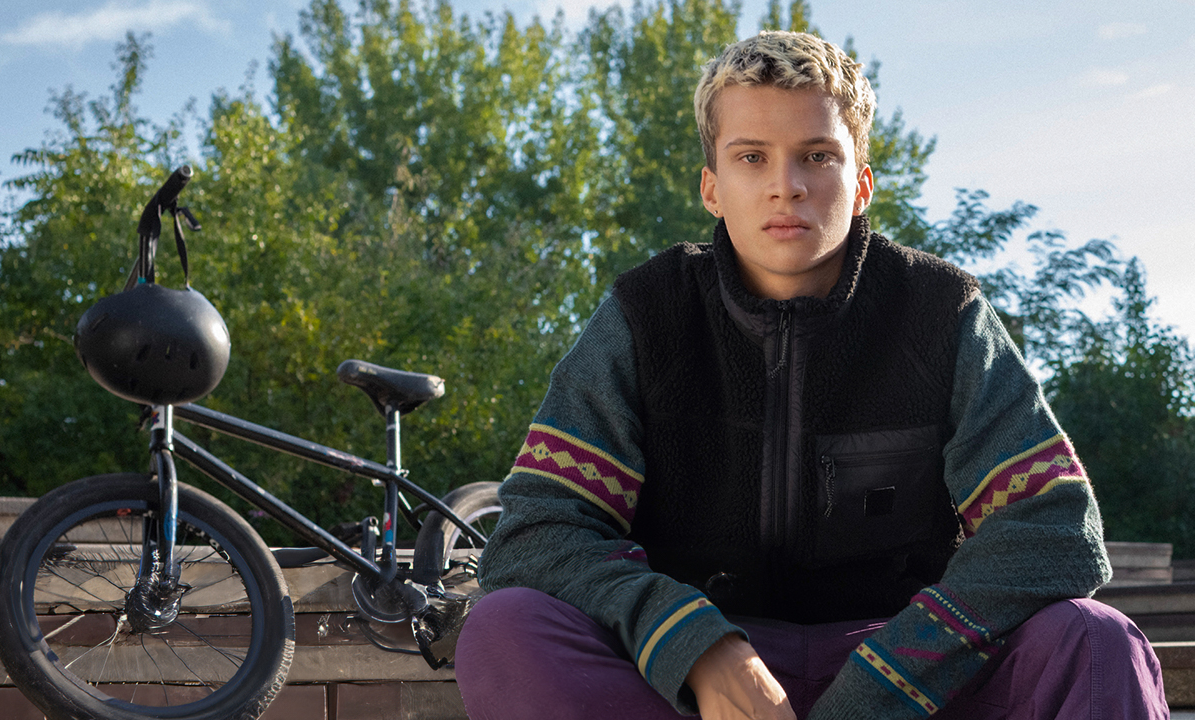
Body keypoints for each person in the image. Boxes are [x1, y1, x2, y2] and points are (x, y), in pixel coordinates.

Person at [453, 30, 1168, 719]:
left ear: (859, 184)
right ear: (712, 186)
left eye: (817, 156)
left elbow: (1055, 528)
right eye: (752, 157)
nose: (785, 186)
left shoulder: (940, 311)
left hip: (912, 670)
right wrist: (698, 647)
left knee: (1096, 639)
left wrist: (878, 689)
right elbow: (539, 532)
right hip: (692, 687)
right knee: (507, 628)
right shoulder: (647, 313)